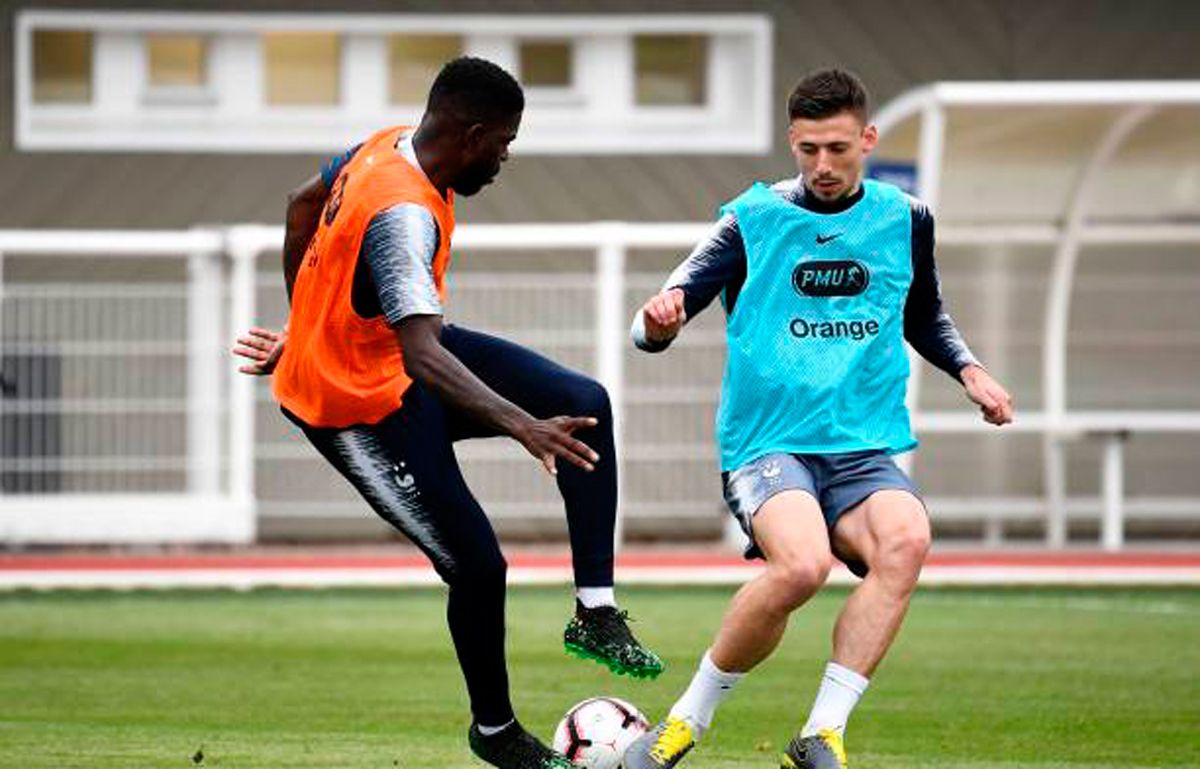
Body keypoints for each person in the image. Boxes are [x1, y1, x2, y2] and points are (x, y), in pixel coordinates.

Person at [232, 57, 662, 769]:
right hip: (352, 405)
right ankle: (494, 733)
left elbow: (300, 203)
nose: (504, 158)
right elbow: (427, 354)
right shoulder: (403, 216)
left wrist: (306, 316)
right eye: (504, 143)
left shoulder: (386, 144)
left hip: (387, 364)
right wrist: (522, 425)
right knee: (478, 566)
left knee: (582, 402)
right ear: (470, 134)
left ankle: (595, 611)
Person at [621, 69, 1013, 769]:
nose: (822, 166)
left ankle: (821, 734)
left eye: (836, 148)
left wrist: (970, 370)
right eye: (807, 151)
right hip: (767, 441)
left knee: (907, 540)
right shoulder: (752, 220)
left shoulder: (907, 219)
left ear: (867, 138)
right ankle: (686, 721)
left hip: (861, 445)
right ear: (792, 144)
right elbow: (655, 317)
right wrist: (658, 325)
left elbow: (923, 313)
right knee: (802, 565)